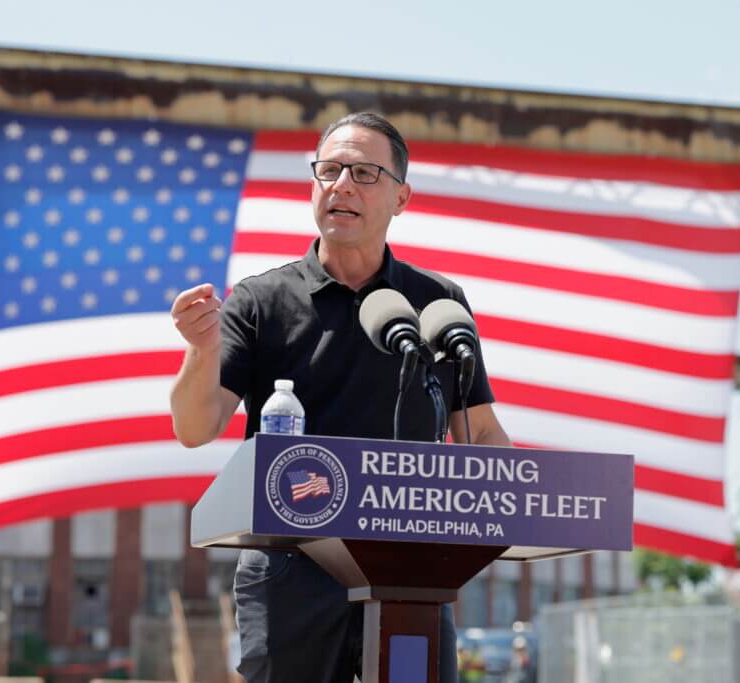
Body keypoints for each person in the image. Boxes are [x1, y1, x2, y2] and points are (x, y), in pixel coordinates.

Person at [169, 111, 511, 683]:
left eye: (364, 172)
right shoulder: (260, 300)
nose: (342, 185)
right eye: (328, 170)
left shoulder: (438, 302)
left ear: (402, 196)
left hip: (409, 571)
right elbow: (194, 427)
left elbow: (481, 433)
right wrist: (201, 351)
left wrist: (530, 496)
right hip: (290, 568)